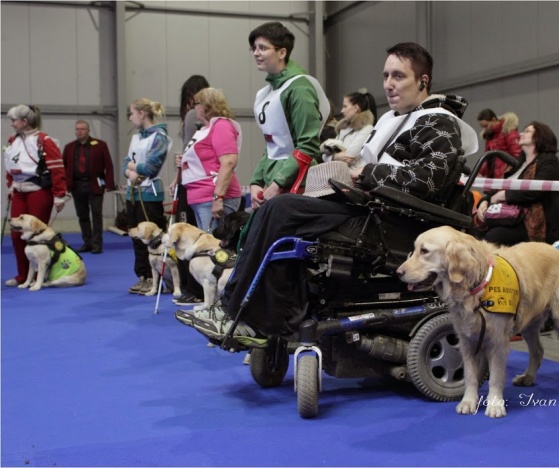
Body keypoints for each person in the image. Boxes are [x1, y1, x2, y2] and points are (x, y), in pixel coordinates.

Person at [175, 41, 478, 344]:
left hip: (394, 223)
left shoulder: (439, 122)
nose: (388, 84)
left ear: (423, 81)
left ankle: (243, 315)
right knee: (273, 210)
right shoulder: (398, 119)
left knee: (281, 211)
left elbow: (429, 180)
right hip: (374, 209)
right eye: (385, 76)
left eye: (398, 76)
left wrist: (367, 174)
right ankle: (252, 315)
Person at [247, 21, 330, 209]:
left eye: (262, 48)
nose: (256, 53)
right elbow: (272, 145)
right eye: (254, 48)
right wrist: (256, 182)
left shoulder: (300, 87)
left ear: (282, 52)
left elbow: (308, 144)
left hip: (298, 184)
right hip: (275, 182)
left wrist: (278, 183)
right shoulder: (265, 93)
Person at [3, 105, 68, 286]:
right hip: (19, 191)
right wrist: (11, 184)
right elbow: (9, 164)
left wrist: (59, 195)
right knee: (17, 235)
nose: (12, 124)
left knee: (37, 236)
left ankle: (42, 274)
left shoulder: (44, 140)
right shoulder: (12, 140)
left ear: (24, 122)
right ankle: (23, 275)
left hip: (39, 191)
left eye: (14, 120)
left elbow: (57, 169)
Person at [475, 122, 559, 246]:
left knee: (494, 236)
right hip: (510, 217)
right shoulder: (517, 163)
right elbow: (498, 190)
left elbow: (534, 191)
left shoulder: (549, 162)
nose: (521, 133)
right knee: (472, 228)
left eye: (527, 131)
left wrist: (502, 196)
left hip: (535, 225)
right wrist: (485, 201)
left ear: (540, 136)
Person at [122, 98, 172, 295]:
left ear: (142, 114)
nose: (130, 118)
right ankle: (143, 276)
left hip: (149, 194)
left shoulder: (159, 137)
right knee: (136, 236)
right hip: (132, 192)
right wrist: (130, 171)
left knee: (153, 238)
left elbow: (150, 167)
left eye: (132, 113)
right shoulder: (136, 137)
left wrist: (132, 168)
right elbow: (125, 163)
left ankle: (158, 277)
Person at [169, 74, 210, 307]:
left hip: (193, 184)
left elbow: (187, 155)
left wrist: (178, 178)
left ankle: (193, 288)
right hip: (198, 183)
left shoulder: (194, 117)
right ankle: (194, 287)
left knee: (187, 235)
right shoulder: (205, 119)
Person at [180, 87, 242, 231]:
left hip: (212, 197)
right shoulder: (204, 129)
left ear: (206, 106)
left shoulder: (221, 126)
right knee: (208, 247)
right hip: (201, 198)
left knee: (214, 248)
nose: (194, 108)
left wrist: (218, 198)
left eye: (196, 104)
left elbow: (229, 162)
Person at [61, 120, 115, 254]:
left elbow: (108, 165)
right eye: (77, 129)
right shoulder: (69, 147)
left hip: (95, 185)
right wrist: (64, 186)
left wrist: (109, 184)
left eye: (82, 129)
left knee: (97, 215)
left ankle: (97, 244)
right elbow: (64, 167)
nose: (79, 131)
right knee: (82, 215)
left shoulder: (100, 145)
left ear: (88, 130)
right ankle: (88, 242)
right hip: (77, 185)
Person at [320, 89, 377, 171]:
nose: (342, 111)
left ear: (356, 108)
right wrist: (336, 156)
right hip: (338, 174)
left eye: (345, 106)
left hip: (353, 178)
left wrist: (331, 156)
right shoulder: (344, 129)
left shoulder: (367, 129)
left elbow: (349, 157)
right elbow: (323, 156)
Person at [476, 108, 522, 179]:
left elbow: (517, 156)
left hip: (504, 177)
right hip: (493, 178)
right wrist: (481, 173)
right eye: (483, 127)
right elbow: (489, 159)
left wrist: (507, 172)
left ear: (494, 120)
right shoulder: (490, 136)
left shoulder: (508, 132)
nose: (485, 129)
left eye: (486, 126)